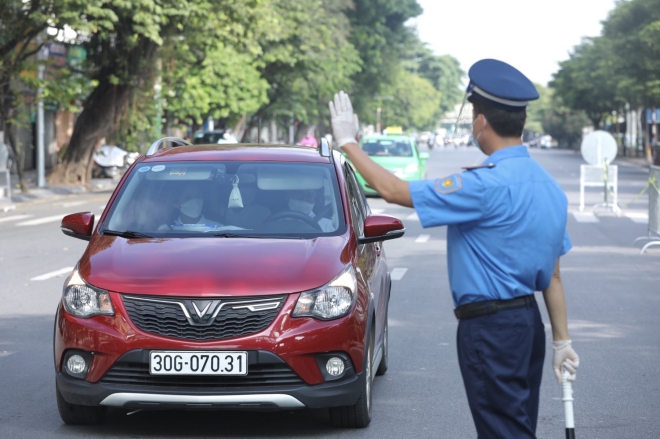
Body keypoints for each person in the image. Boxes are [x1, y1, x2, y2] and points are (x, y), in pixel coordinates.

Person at [328, 59, 580, 439]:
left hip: (490, 327)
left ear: (481, 122)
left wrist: (347, 142)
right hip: (529, 325)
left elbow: (396, 192)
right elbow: (554, 274)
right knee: (516, 425)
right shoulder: (549, 188)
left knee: (502, 431)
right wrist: (563, 341)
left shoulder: (481, 185)